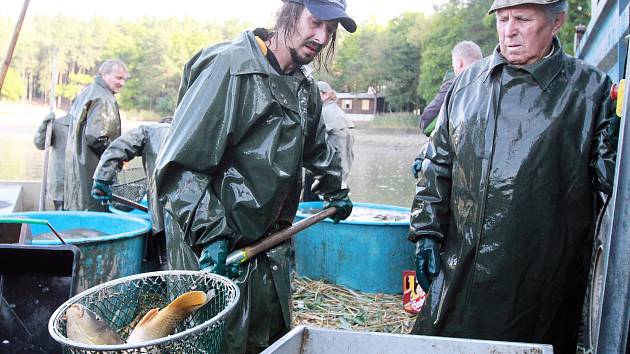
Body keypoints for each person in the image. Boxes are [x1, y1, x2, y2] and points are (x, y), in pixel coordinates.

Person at [408, 1, 617, 353]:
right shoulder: (466, 85)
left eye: (522, 19)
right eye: (502, 19)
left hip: (540, 279)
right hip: (461, 267)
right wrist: (426, 231)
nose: (509, 30)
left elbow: (609, 186)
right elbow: (438, 162)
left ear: (557, 23)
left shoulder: (591, 91)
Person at [152, 0, 356, 352]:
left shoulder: (305, 86)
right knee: (214, 341)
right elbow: (179, 167)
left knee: (267, 337)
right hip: (212, 244)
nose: (322, 37)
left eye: (331, 29)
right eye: (316, 21)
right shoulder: (230, 67)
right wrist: (210, 233)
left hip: (268, 245)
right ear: (289, 11)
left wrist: (335, 189)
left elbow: (317, 149)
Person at [91, 117, 173, 269]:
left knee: (166, 258)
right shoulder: (196, 129)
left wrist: (102, 179)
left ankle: (169, 283)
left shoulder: (152, 131)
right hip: (195, 215)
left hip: (162, 213)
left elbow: (118, 149)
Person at [64, 59, 129, 212]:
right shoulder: (103, 98)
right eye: (118, 78)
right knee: (95, 215)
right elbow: (96, 138)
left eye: (124, 79)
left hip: (77, 172)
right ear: (104, 74)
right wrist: (118, 156)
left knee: (79, 212)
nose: (122, 83)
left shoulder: (87, 92)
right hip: (91, 172)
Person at [412, 41, 482, 178]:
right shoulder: (495, 82)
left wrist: (422, 157)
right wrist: (421, 155)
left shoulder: (456, 84)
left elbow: (429, 124)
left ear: (459, 62)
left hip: (459, 172)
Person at [302, 80, 354, 202]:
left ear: (325, 95)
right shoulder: (337, 111)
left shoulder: (324, 111)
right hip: (338, 173)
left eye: (313, 94)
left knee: (312, 201)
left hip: (326, 172)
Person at [33, 112, 71, 210]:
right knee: (61, 216)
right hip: (60, 182)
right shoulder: (56, 124)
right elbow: (40, 144)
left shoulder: (87, 125)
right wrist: (44, 126)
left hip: (81, 185)